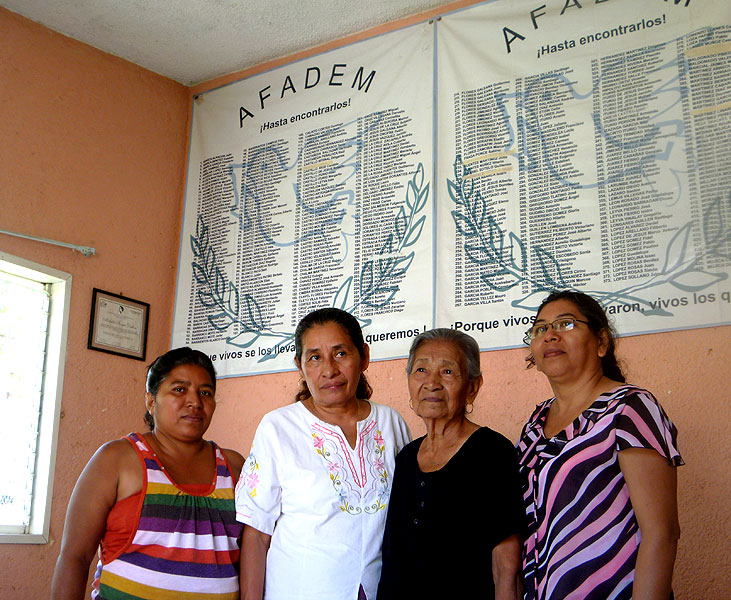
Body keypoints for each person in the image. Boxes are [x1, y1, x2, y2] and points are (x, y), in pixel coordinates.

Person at [517, 290, 683, 600]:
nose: (550, 335)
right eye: (540, 328)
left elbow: (661, 532)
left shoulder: (630, 407)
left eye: (565, 324)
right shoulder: (535, 422)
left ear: (602, 343)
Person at [236, 307, 411, 600]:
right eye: (315, 357)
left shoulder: (391, 423)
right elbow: (256, 533)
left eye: (341, 353)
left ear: (364, 357)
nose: (329, 370)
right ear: (300, 366)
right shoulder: (278, 428)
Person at [50, 347, 244, 600]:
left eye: (205, 392)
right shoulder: (117, 459)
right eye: (179, 389)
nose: (195, 402)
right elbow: (75, 558)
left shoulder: (234, 466)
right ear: (151, 401)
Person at [378, 328, 524, 600]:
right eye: (421, 370)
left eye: (447, 372)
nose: (431, 383)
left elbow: (506, 564)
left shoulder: (492, 451)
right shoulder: (406, 457)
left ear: (472, 387)